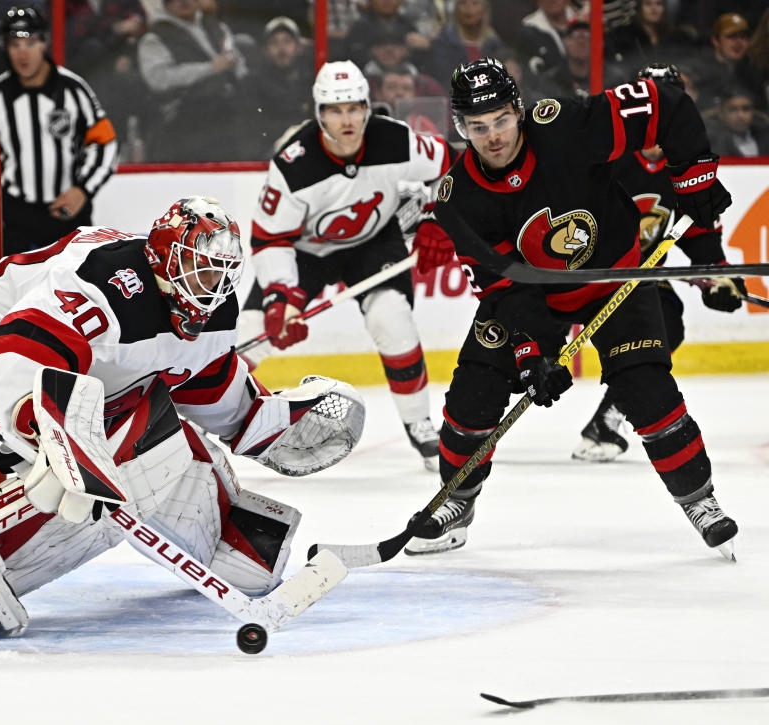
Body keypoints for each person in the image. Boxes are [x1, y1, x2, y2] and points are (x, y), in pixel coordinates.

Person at [0, 196, 365, 639]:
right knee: (98, 475)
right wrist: (52, 435)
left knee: (151, 428)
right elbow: (21, 343)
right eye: (200, 270)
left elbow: (200, 377)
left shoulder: (210, 306)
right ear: (163, 261)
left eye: (220, 273)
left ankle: (221, 537)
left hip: (81, 374)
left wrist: (263, 422)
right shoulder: (105, 285)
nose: (211, 286)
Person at [408, 57, 738, 558]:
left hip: (615, 279)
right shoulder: (458, 199)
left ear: (518, 111)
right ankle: (457, 501)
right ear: (461, 128)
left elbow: (663, 103)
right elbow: (502, 289)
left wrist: (694, 181)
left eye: (500, 120)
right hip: (535, 295)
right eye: (478, 127)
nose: (493, 136)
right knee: (475, 390)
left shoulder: (564, 124)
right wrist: (530, 354)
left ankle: (700, 499)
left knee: (645, 387)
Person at [239, 61, 456, 471]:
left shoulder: (396, 141)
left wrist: (435, 219)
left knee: (391, 319)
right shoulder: (293, 164)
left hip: (373, 245)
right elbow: (270, 239)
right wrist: (280, 297)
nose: (347, 120)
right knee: (253, 335)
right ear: (319, 113)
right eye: (336, 111)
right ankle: (204, 420)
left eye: (355, 108)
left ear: (369, 107)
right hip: (305, 252)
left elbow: (449, 164)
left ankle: (420, 424)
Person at [573, 64, 749, 462]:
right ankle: (473, 428)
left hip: (639, 278)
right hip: (579, 272)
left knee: (667, 322)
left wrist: (719, 280)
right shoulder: (604, 157)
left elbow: (702, 241)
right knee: (526, 344)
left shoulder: (685, 170)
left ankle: (608, 419)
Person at [0, 5, 118, 256]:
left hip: (67, 210)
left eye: (30, 43)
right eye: (14, 44)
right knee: (12, 290)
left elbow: (104, 142)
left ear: (44, 43)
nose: (22, 53)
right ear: (4, 48)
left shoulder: (73, 89)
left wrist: (83, 190)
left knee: (78, 287)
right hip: (15, 216)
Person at [137, 0, 249, 162]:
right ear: (166, 4)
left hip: (227, 112)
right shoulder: (154, 38)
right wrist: (210, 68)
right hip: (183, 119)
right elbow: (158, 79)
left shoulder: (218, 28)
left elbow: (239, 65)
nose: (183, 1)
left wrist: (236, 68)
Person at [244, 16, 315, 156]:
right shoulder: (252, 84)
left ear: (299, 47)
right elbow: (251, 132)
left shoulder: (312, 82)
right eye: (274, 42)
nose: (281, 49)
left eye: (287, 41)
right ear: (264, 50)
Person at [694, 13, 751, 111]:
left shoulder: (751, 72)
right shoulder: (699, 71)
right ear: (715, 40)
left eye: (743, 37)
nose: (739, 42)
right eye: (732, 37)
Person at [705, 87, 769, 157]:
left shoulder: (765, 138)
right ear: (721, 114)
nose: (740, 116)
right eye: (733, 109)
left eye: (746, 109)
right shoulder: (712, 143)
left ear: (753, 112)